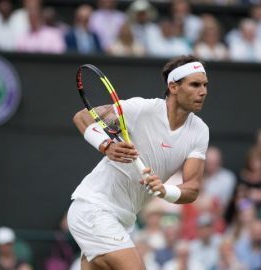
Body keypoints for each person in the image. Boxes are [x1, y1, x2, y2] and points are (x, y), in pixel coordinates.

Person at [67, 55, 209, 269]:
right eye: (195, 84)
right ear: (173, 87)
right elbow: (82, 117)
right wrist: (107, 146)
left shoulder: (199, 131)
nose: (203, 91)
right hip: (94, 207)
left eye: (205, 85)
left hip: (123, 220)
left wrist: (164, 191)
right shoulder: (142, 108)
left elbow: (192, 188)